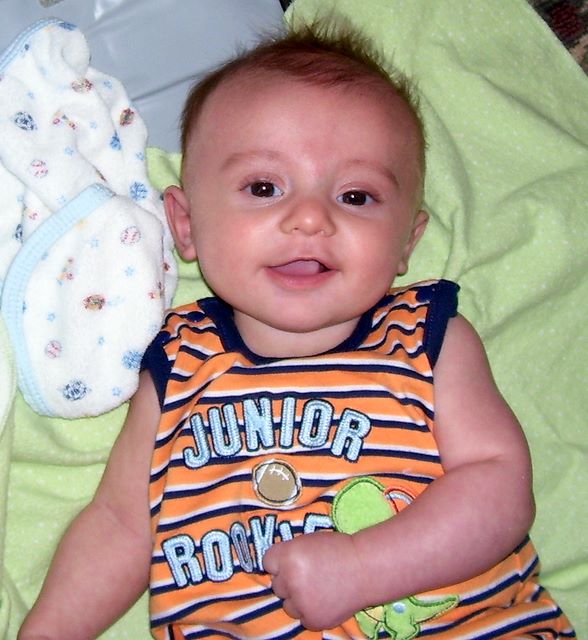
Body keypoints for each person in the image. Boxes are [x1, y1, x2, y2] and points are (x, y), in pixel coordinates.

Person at [18, 17, 575, 640]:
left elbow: (499, 485)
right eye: (264, 187)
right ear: (187, 224)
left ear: (406, 242)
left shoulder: (427, 338)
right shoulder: (179, 361)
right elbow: (121, 524)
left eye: (356, 196)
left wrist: (365, 568)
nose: (310, 218)